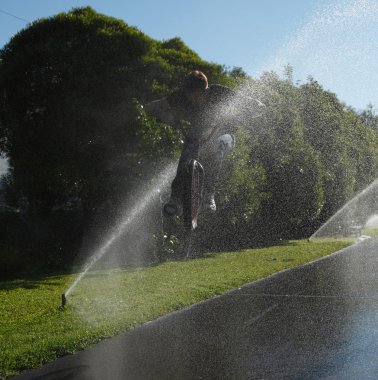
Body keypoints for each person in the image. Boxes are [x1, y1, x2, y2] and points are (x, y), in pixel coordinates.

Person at [144, 70, 265, 217]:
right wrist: (155, 113)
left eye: (196, 95)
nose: (192, 100)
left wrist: (255, 108)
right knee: (188, 149)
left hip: (226, 134)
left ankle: (208, 196)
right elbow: (156, 106)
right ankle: (175, 199)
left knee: (219, 143)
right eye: (189, 95)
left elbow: (250, 102)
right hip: (200, 134)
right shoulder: (181, 97)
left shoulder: (219, 92)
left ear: (206, 91)